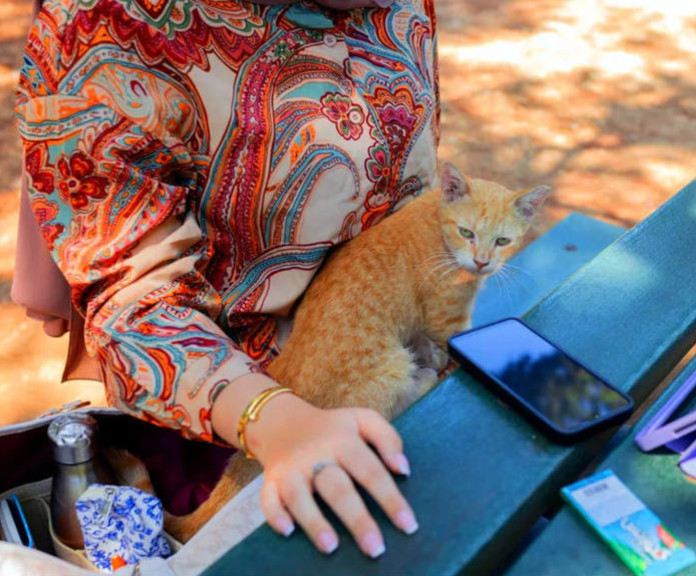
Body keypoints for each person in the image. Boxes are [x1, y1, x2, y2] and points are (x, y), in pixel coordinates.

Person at [14, 0, 439, 558]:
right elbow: (130, 297)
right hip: (236, 430)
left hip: (412, 376)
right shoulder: (109, 22)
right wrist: (275, 420)